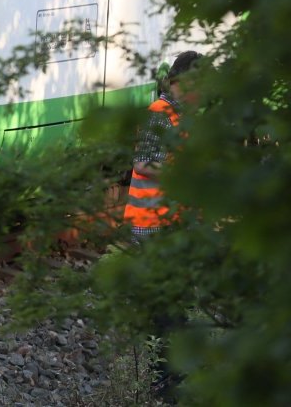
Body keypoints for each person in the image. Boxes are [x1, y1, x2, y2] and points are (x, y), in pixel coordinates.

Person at [124, 49, 203, 402]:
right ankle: (165, 385)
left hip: (174, 225)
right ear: (176, 82)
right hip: (153, 224)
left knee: (178, 305)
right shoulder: (161, 115)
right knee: (169, 310)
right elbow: (142, 163)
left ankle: (174, 379)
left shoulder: (185, 116)